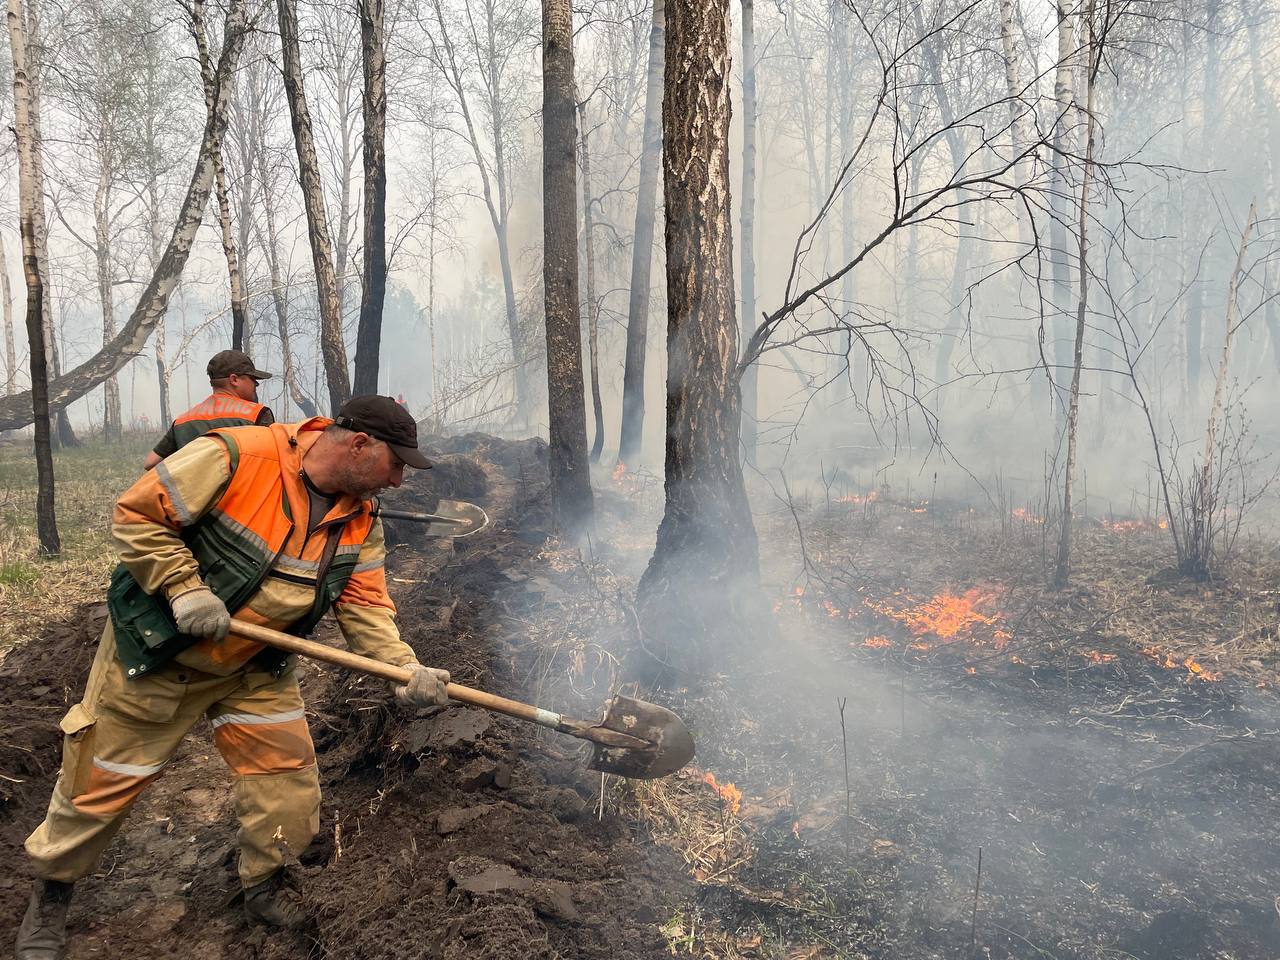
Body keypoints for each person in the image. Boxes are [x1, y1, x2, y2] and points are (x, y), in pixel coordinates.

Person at [16, 396, 452, 958]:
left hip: (253, 669)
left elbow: (365, 603)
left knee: (286, 780)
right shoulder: (237, 456)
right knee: (100, 783)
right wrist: (184, 586)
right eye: (396, 465)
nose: (397, 482)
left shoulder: (360, 517)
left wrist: (403, 666)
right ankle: (52, 894)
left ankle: (265, 885)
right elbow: (137, 513)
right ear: (359, 443)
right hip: (161, 657)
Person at [143, 350, 276, 470]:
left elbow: (150, 463)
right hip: (244, 496)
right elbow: (275, 461)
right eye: (252, 378)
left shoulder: (183, 421)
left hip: (197, 496)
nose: (256, 384)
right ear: (234, 379)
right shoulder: (258, 414)